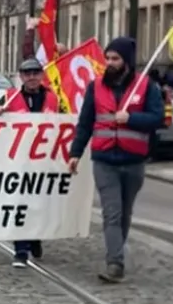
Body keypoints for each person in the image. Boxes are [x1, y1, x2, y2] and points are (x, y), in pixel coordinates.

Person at [66, 34, 164, 283]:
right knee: (112, 212)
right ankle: (115, 263)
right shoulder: (96, 87)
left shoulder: (146, 87)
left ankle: (116, 251)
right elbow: (85, 123)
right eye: (107, 58)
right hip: (104, 160)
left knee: (124, 213)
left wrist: (131, 118)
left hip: (133, 161)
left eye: (115, 58)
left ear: (127, 61)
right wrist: (75, 153)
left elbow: (157, 119)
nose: (109, 62)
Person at [5, 57, 60, 266]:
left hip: (45, 160)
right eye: (27, 74)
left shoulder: (52, 99)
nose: (32, 78)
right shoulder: (11, 98)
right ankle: (21, 250)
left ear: (41, 75)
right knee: (21, 203)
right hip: (19, 160)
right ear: (21, 77)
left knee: (40, 204)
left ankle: (35, 236)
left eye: (36, 73)